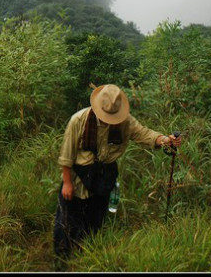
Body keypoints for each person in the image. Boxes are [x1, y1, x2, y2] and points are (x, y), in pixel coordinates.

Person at [53, 84, 182, 259]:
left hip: (104, 176)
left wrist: (167, 140)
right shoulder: (79, 120)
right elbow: (66, 155)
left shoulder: (125, 122)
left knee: (95, 221)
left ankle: (86, 259)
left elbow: (145, 134)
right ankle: (62, 261)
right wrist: (67, 183)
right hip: (78, 176)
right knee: (67, 222)